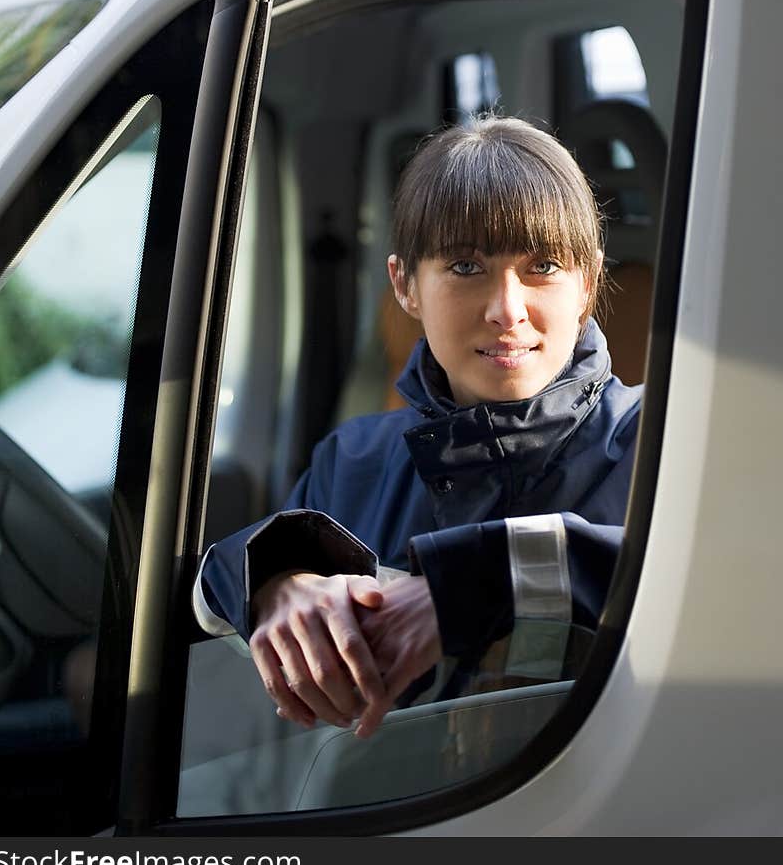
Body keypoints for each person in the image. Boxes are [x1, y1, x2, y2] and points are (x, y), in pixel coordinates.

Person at [194, 114, 641, 739]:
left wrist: (468, 587)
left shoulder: (666, 442)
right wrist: (273, 582)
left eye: (542, 266)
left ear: (588, 284)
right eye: (465, 267)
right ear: (405, 285)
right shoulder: (353, 460)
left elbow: (716, 577)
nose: (506, 310)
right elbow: (218, 605)